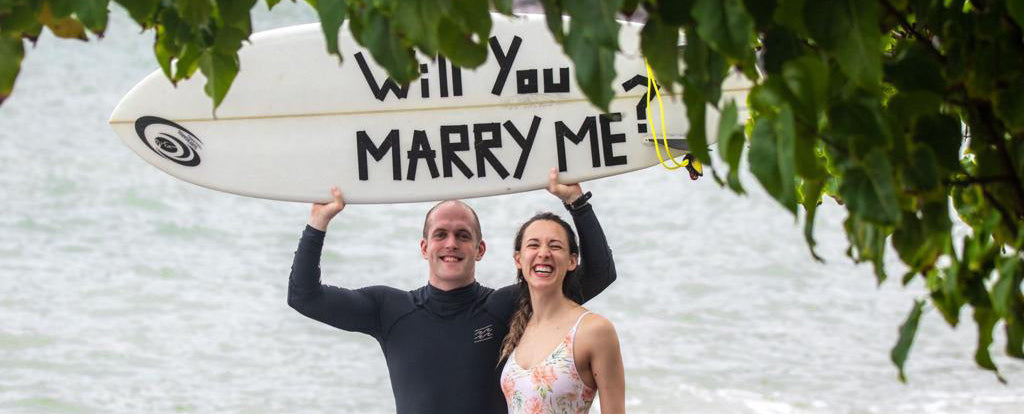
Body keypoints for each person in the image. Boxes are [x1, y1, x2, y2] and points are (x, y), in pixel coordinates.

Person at [287, 168, 616, 414]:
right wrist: (319, 221)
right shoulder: (388, 308)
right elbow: (304, 296)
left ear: (480, 249)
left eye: (462, 235)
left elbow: (599, 274)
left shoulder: (508, 305)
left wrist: (576, 202)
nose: (451, 244)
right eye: (441, 234)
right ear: (424, 246)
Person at [498, 212, 626, 413]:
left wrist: (577, 202)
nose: (543, 253)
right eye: (533, 245)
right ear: (518, 259)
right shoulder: (521, 327)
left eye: (555, 246)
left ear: (572, 261)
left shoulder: (594, 330)